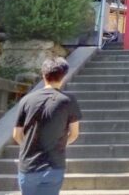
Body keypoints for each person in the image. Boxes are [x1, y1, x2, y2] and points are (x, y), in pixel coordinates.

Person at [14, 58, 81, 195]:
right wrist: (61, 144)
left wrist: (28, 146)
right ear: (63, 76)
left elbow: (16, 134)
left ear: (43, 75)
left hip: (28, 165)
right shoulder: (68, 101)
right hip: (54, 164)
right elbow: (74, 133)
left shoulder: (26, 100)